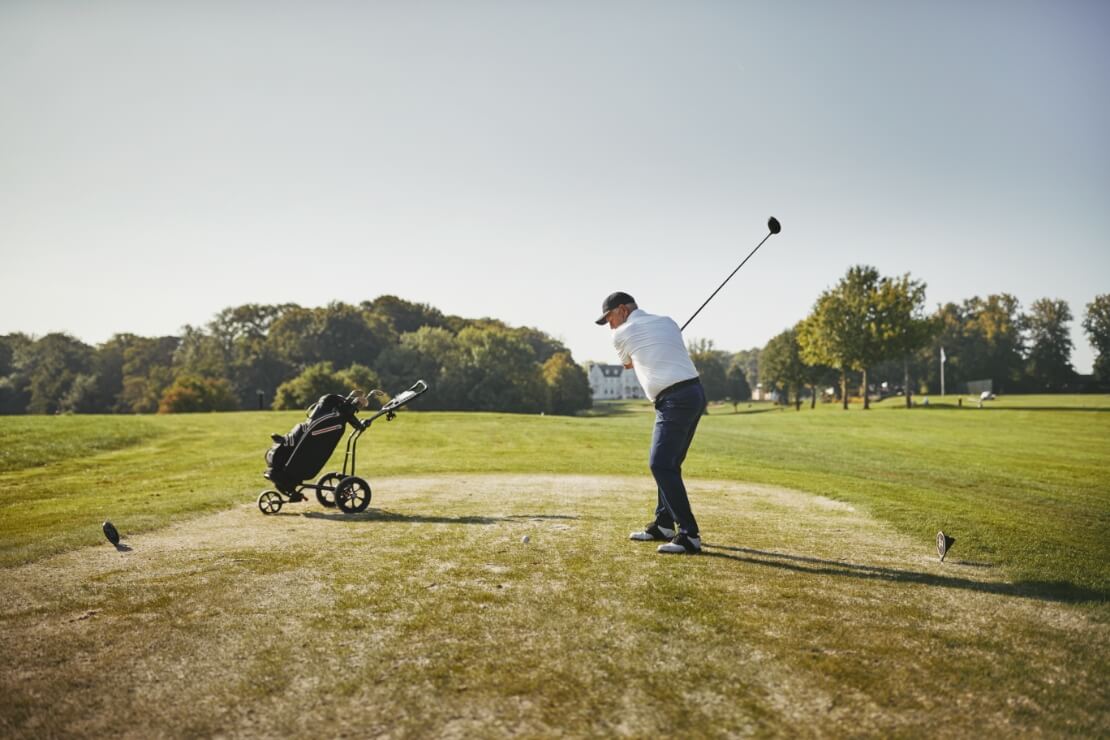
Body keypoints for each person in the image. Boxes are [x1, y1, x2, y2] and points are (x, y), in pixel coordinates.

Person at [595, 291, 706, 555]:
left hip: (675, 400)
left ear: (622, 310)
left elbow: (628, 364)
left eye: (610, 318)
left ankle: (689, 534)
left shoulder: (620, 334)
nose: (610, 325)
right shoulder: (668, 321)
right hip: (694, 393)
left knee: (659, 464)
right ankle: (664, 524)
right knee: (669, 464)